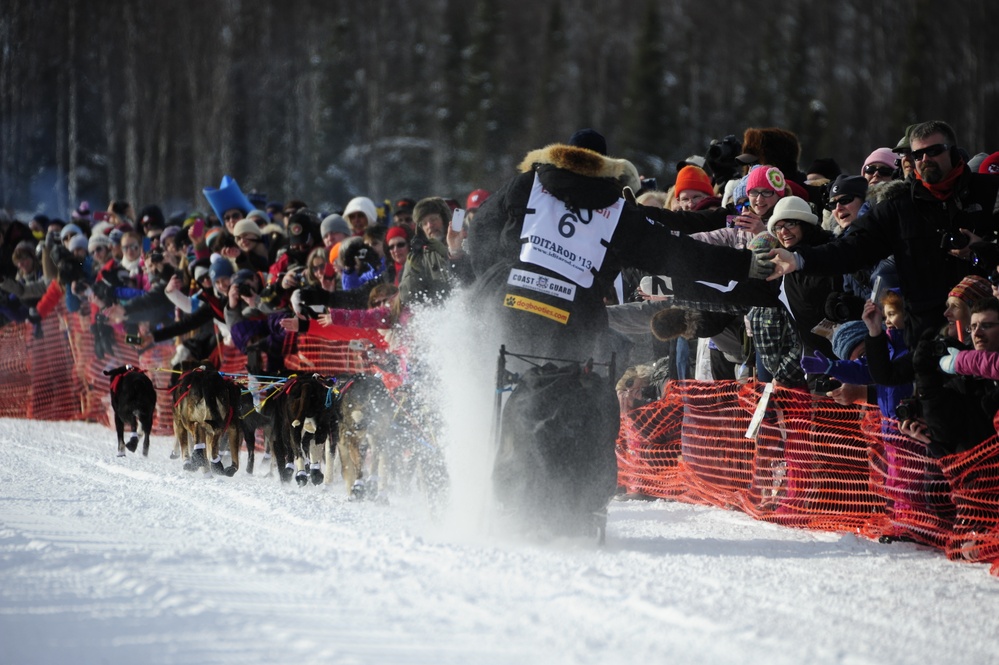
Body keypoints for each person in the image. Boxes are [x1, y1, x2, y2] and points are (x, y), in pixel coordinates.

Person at [767, 120, 999, 346]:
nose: (925, 160)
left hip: (986, 326)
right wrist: (800, 259)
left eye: (934, 151)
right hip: (926, 333)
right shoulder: (900, 205)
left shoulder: (988, 191)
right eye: (918, 155)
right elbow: (853, 247)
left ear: (953, 152)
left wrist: (984, 250)